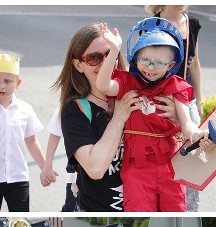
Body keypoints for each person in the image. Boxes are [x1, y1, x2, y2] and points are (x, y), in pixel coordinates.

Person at [96, 18, 213, 211]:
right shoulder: (127, 83)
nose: (151, 67)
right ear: (135, 59)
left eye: (159, 62)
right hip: (137, 168)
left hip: (171, 166)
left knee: (175, 212)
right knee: (139, 210)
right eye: (145, 60)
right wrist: (114, 51)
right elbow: (103, 85)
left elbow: (187, 124)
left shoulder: (175, 86)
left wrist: (197, 135)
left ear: (171, 65)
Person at [53, 23, 148, 212]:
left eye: (110, 53)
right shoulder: (75, 109)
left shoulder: (135, 91)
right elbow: (95, 169)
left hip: (143, 206)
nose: (106, 63)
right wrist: (119, 118)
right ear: (78, 65)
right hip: (98, 210)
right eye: (94, 58)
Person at [147, 5, 204, 212]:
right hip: (161, 99)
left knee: (195, 154)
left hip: (187, 99)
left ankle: (189, 208)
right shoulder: (152, 24)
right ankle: (164, 203)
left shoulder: (193, 23)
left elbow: (194, 64)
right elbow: (146, 66)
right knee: (165, 155)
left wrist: (198, 101)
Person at [0, 54, 47, 212]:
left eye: (8, 81)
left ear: (18, 83)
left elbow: (31, 141)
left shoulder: (25, 109)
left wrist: (45, 167)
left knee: (20, 218)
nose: (2, 86)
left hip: (18, 177)